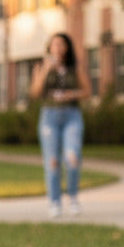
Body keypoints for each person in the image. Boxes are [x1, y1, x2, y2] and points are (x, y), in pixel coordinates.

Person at [30, 33, 93, 219]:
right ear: (49, 48)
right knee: (53, 161)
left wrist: (70, 95)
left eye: (61, 44)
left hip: (71, 115)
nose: (57, 48)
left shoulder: (75, 67)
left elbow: (87, 92)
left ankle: (72, 196)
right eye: (54, 44)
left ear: (67, 48)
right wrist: (45, 70)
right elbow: (35, 93)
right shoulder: (41, 67)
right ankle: (54, 201)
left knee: (73, 157)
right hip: (49, 116)